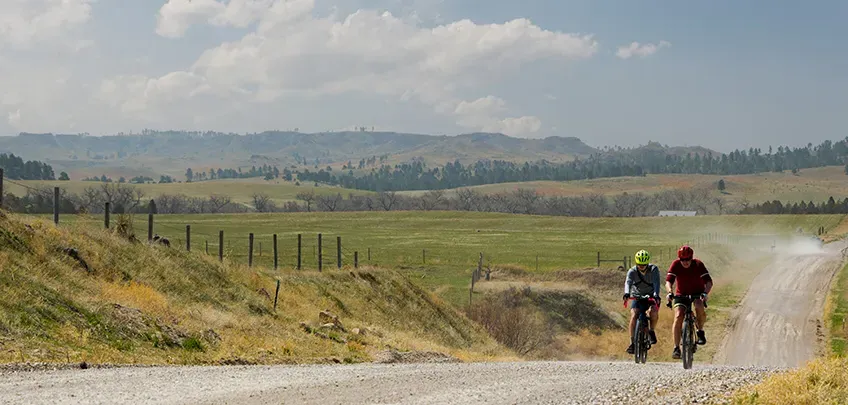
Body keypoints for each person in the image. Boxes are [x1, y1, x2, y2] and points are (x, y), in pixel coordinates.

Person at [665, 244, 713, 360]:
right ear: (679, 259)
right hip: (681, 294)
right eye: (682, 259)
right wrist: (670, 292)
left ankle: (700, 331)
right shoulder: (676, 265)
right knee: (678, 316)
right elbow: (668, 281)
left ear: (692, 258)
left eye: (688, 259)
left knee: (698, 306)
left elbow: (709, 282)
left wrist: (705, 293)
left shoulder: (698, 264)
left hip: (697, 293)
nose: (685, 262)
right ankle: (676, 347)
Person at [623, 249, 661, 354]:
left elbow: (656, 283)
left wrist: (656, 295)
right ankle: (632, 342)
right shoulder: (632, 271)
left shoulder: (654, 270)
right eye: (639, 265)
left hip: (651, 296)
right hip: (637, 296)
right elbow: (628, 282)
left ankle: (651, 331)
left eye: (644, 265)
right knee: (634, 315)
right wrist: (627, 293)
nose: (642, 267)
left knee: (653, 312)